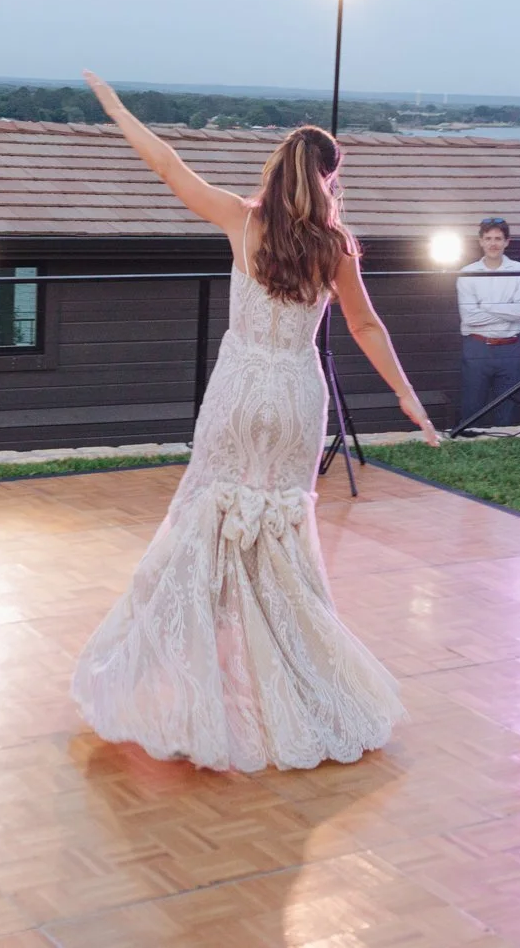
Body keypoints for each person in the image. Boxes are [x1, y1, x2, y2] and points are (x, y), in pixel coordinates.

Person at [71, 73, 439, 772]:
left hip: (240, 390)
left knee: (206, 528)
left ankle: (204, 683)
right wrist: (408, 395)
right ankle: (292, 683)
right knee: (280, 540)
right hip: (296, 393)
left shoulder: (243, 221)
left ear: (277, 167)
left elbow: (167, 165)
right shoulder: (334, 247)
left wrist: (117, 107)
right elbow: (365, 324)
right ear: (329, 180)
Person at [455, 217, 520, 428]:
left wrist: (486, 306)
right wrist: (507, 308)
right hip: (477, 346)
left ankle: (505, 452)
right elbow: (470, 317)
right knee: (472, 407)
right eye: (488, 238)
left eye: (498, 238)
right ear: (480, 241)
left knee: (507, 408)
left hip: (510, 348)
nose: (493, 243)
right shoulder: (467, 273)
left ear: (507, 242)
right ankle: (470, 450)